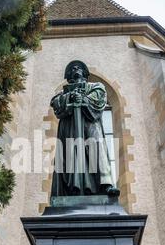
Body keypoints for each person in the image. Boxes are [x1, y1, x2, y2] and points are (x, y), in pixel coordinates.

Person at [50, 60, 118, 197]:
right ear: (69, 76)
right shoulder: (63, 92)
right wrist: (70, 97)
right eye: (72, 68)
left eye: (79, 67)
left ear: (85, 73)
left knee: (97, 148)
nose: (76, 69)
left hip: (90, 123)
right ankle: (71, 189)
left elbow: (99, 98)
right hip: (69, 128)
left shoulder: (96, 86)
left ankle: (106, 185)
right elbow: (55, 103)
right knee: (69, 154)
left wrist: (83, 98)